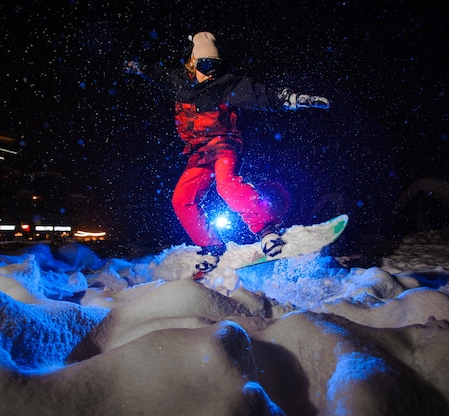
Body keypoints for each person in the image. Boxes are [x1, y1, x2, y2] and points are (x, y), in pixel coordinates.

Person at [125, 32, 330, 279]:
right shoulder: (179, 82)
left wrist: (293, 99)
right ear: (193, 62)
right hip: (199, 152)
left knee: (226, 185)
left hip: (224, 143)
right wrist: (137, 67)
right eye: (205, 64)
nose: (211, 72)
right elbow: (155, 73)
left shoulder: (226, 85)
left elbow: (260, 95)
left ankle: (266, 229)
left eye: (216, 65)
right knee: (182, 200)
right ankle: (211, 246)